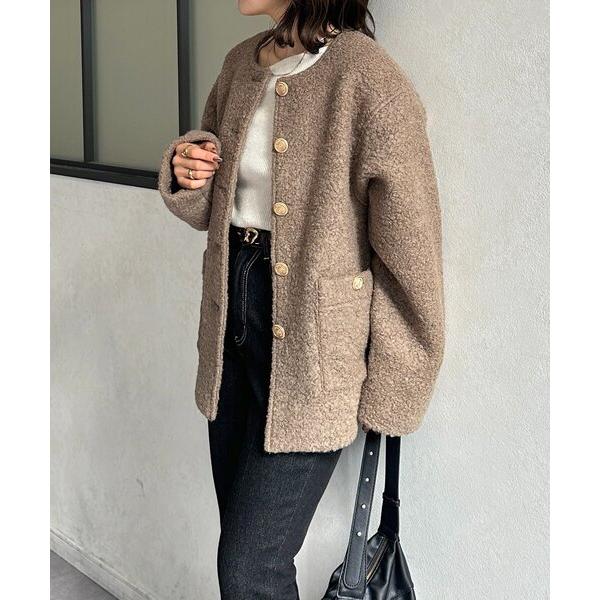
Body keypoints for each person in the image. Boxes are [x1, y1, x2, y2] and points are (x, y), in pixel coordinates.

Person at [157, 1, 445, 597]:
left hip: (312, 348)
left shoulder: (367, 78)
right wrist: (189, 172)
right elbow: (212, 206)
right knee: (241, 553)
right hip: (231, 325)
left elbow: (411, 247)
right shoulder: (239, 65)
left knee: (249, 568)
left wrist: (397, 383)